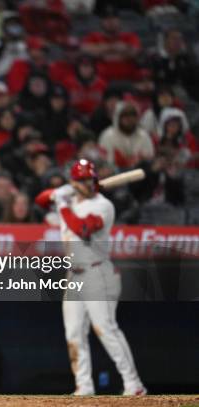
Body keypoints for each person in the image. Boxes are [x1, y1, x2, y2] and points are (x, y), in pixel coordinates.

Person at [34, 160, 146, 396]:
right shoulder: (71, 199)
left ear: (95, 180)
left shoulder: (104, 205)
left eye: (89, 179)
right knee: (74, 332)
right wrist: (59, 193)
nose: (87, 183)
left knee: (106, 328)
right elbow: (40, 200)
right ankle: (84, 386)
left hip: (98, 273)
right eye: (81, 180)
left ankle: (133, 384)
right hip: (73, 275)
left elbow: (82, 229)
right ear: (74, 182)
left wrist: (63, 205)